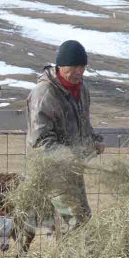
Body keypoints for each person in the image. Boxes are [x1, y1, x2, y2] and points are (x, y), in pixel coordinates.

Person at [26, 40, 104, 231]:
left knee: (81, 219)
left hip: (73, 168)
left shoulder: (82, 90)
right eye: (74, 67)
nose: (79, 72)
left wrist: (93, 140)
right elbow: (40, 139)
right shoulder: (44, 93)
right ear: (60, 66)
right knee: (76, 221)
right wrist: (65, 156)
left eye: (82, 67)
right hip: (53, 169)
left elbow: (82, 123)